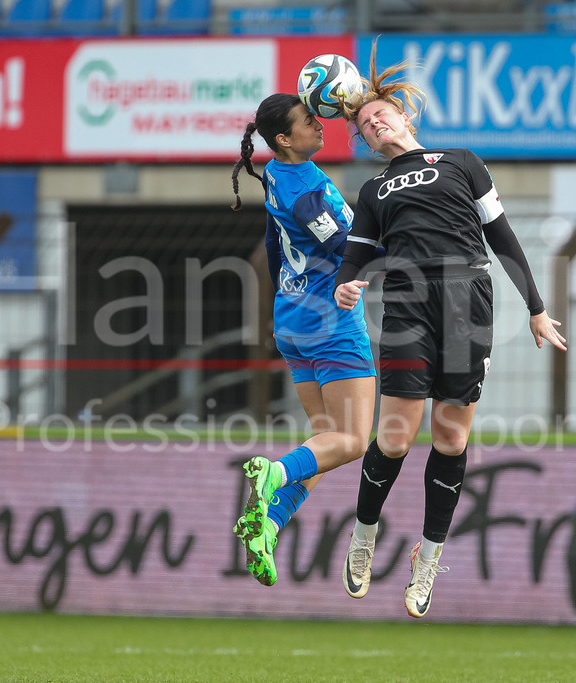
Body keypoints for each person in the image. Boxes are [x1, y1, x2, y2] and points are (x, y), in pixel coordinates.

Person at [333, 41, 567, 618]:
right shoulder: (374, 190)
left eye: (381, 113)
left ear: (405, 116)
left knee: (451, 439)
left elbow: (502, 236)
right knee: (394, 437)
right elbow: (356, 256)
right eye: (364, 124)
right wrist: (345, 284)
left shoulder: (461, 160)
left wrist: (536, 307)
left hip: (468, 299)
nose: (374, 122)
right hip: (408, 301)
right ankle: (364, 537)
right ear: (365, 142)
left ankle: (428, 558)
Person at [229, 93, 377, 587]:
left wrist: (286, 298)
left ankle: (268, 525)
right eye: (308, 121)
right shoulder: (304, 192)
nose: (320, 124)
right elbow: (344, 245)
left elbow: (273, 245)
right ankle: (272, 474)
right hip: (329, 322)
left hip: (293, 319)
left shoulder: (277, 173)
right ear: (284, 139)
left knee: (326, 440)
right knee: (353, 441)